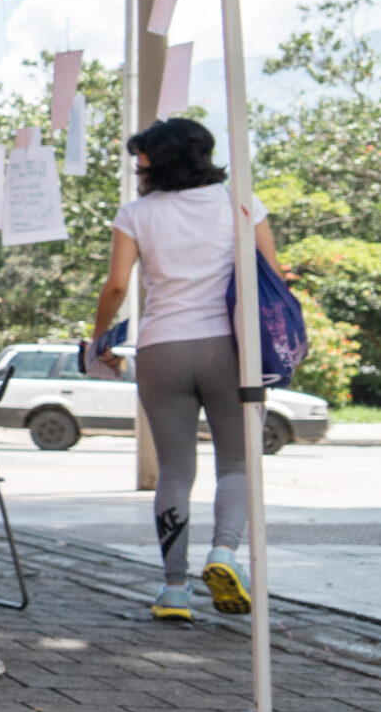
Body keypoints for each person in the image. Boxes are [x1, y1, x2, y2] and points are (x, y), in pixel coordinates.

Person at [89, 117, 281, 622]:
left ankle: (174, 589)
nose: (138, 168)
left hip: (162, 349)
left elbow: (115, 287)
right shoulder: (239, 203)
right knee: (237, 464)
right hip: (229, 348)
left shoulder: (135, 214)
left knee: (174, 469)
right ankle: (223, 554)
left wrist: (98, 339)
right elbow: (273, 277)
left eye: (142, 159)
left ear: (160, 160)